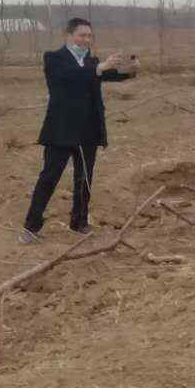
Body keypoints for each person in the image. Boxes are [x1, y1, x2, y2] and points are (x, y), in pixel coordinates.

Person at [21, 17, 138, 243]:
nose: (86, 39)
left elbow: (106, 74)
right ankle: (31, 227)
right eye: (82, 35)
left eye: (89, 36)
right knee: (49, 178)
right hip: (60, 131)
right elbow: (68, 77)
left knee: (84, 179)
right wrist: (99, 68)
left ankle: (79, 222)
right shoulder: (54, 59)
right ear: (69, 35)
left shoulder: (91, 61)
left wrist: (130, 71)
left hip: (88, 132)